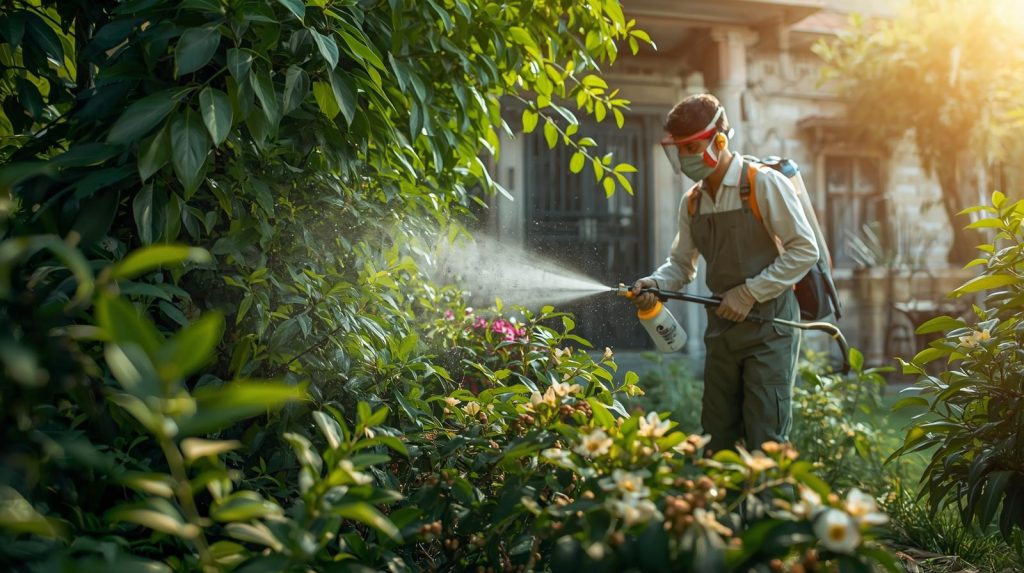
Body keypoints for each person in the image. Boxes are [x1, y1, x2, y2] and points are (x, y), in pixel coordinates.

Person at [631, 93, 819, 455]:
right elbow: (682, 266)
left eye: (691, 147)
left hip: (769, 329)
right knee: (716, 440)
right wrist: (656, 283)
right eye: (679, 149)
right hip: (722, 332)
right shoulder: (693, 201)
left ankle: (768, 510)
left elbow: (804, 250)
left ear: (719, 140)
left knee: (765, 440)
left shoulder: (762, 184)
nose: (685, 157)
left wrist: (749, 293)